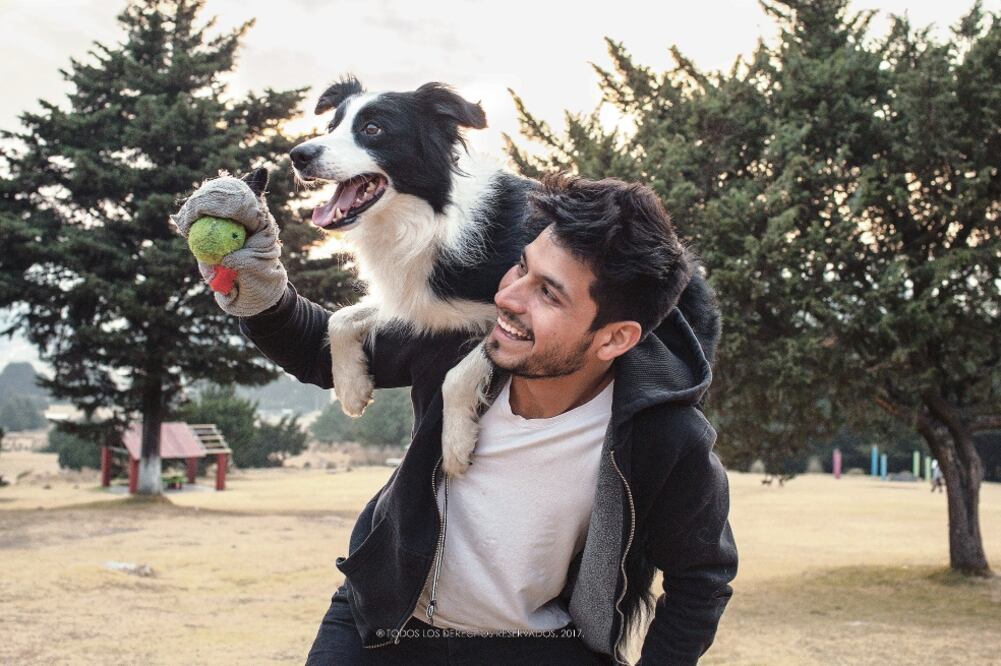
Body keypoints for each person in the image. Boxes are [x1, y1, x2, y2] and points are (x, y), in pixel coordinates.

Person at [173, 171, 738, 665]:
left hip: (538, 647)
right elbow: (319, 350)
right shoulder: (457, 338)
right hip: (382, 624)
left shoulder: (665, 433)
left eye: (549, 293)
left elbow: (701, 579)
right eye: (520, 267)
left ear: (615, 337)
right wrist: (256, 279)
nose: (511, 298)